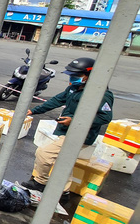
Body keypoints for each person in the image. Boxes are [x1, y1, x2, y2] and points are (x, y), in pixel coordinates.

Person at [25, 57, 114, 198]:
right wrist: (34, 111)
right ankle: (63, 191)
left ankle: (40, 182)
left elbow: (105, 117)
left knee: (44, 153)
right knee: (63, 161)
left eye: (77, 75)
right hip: (67, 131)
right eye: (72, 75)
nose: (73, 78)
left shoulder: (101, 94)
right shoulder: (73, 88)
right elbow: (56, 100)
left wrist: (74, 121)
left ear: (90, 75)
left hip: (80, 134)